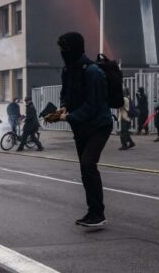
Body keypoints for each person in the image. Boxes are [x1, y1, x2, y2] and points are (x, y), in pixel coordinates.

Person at [53, 32, 112, 227]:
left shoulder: (93, 71)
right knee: (85, 169)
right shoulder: (67, 70)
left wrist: (69, 117)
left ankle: (98, 213)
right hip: (81, 127)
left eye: (65, 49)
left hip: (99, 125)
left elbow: (94, 104)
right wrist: (63, 107)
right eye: (61, 49)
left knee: (88, 164)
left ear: (76, 49)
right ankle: (93, 211)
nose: (63, 53)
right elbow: (65, 93)